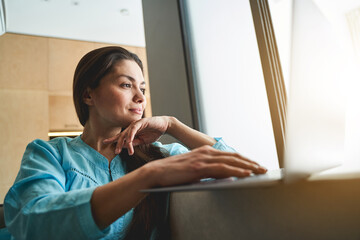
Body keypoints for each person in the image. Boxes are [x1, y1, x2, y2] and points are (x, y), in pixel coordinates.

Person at [3, 46, 267, 240]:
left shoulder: (160, 156)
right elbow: (33, 221)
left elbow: (243, 170)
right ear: (88, 95)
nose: (141, 97)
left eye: (143, 87)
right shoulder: (49, 153)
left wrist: (173, 125)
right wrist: (148, 177)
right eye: (126, 85)